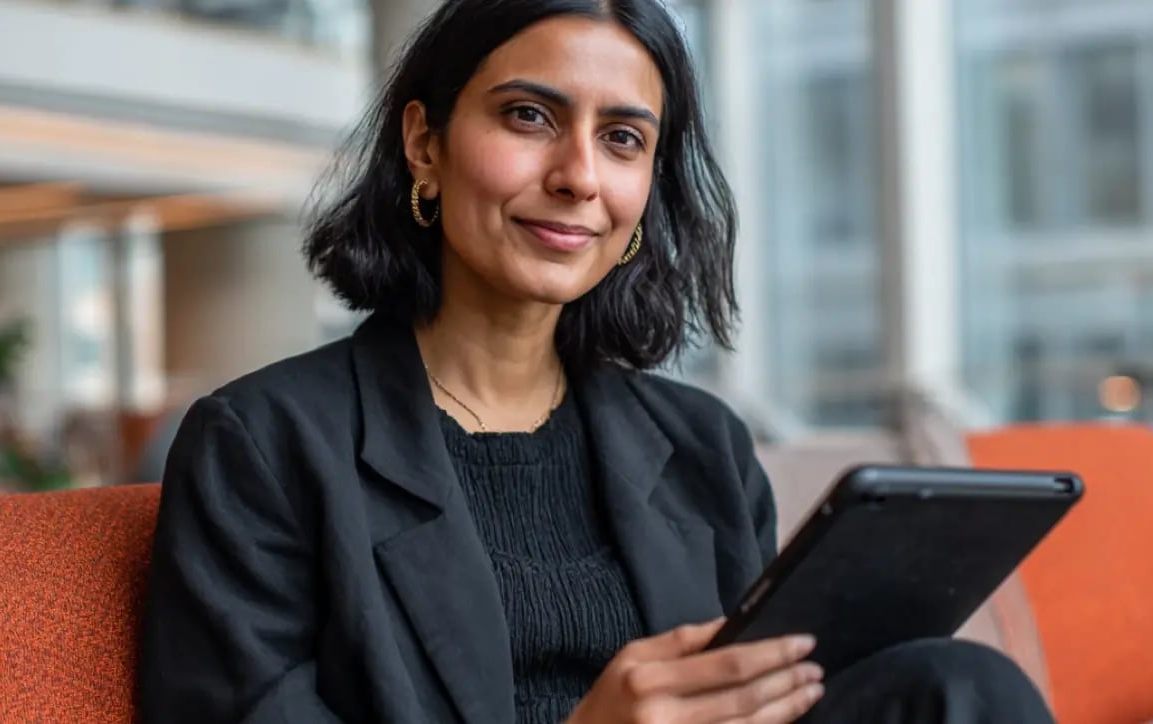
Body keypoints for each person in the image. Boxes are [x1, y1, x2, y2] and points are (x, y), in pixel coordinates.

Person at [138, 1, 1055, 722]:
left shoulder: (703, 445)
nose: (580, 176)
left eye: (623, 138)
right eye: (529, 116)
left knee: (962, 684)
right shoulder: (260, 446)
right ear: (424, 143)